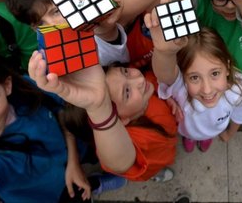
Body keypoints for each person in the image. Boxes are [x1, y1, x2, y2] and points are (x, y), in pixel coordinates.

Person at [0, 51, 127, 202]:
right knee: (77, 192)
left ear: (7, 85)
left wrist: (73, 161)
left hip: (77, 148)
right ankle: (96, 184)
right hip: (50, 193)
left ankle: (97, 176)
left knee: (98, 160)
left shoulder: (27, 88)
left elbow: (60, 109)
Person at [28, 51, 178, 183]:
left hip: (171, 141)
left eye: (125, 71)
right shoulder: (122, 140)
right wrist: (99, 109)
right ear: (120, 120)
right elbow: (119, 161)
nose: (138, 79)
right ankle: (155, 174)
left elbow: (155, 81)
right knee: (153, 169)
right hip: (153, 161)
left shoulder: (145, 84)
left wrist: (166, 94)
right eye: (127, 92)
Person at [146, 17, 242, 153]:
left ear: (227, 67)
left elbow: (241, 115)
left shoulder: (240, 88)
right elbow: (165, 73)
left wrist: (229, 134)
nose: (207, 89)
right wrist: (163, 52)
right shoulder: (181, 86)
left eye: (215, 74)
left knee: (208, 135)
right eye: (194, 77)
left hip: (217, 129)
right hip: (187, 131)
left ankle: (206, 138)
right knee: (190, 136)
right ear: (182, 74)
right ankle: (191, 138)